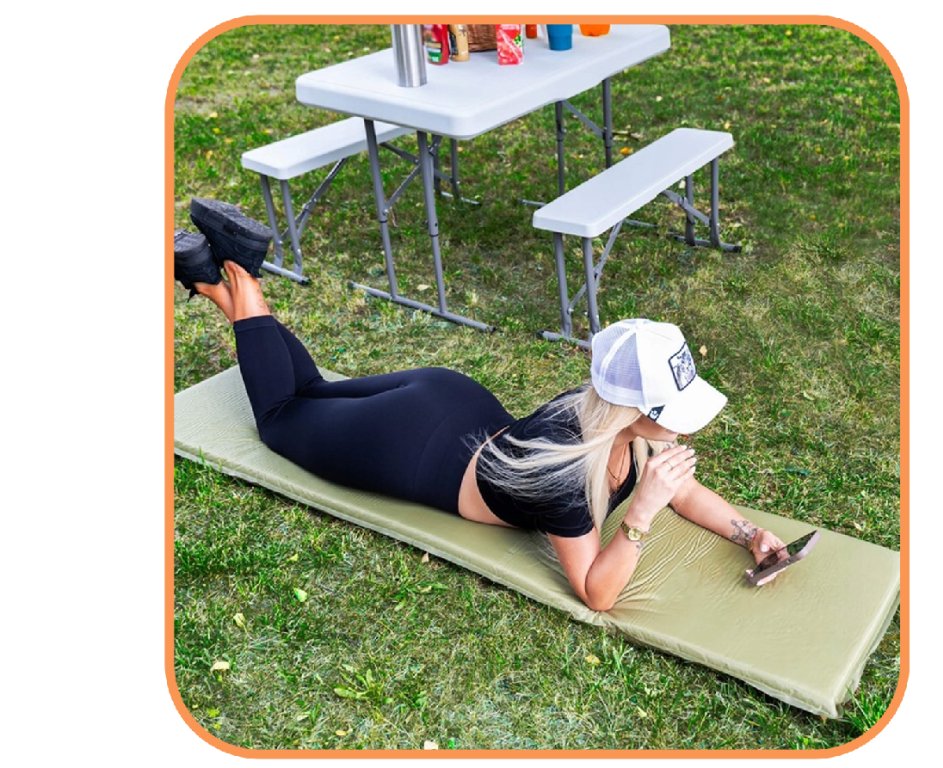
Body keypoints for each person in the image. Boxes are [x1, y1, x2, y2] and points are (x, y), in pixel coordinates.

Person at [176, 198, 787, 612]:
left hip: (451, 400)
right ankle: (242, 273)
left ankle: (206, 277)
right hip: (411, 446)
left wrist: (750, 533)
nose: (683, 427)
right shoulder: (567, 472)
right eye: (671, 410)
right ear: (637, 412)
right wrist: (639, 517)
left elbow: (683, 490)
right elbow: (596, 593)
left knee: (311, 395)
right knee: (282, 419)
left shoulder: (609, 417)